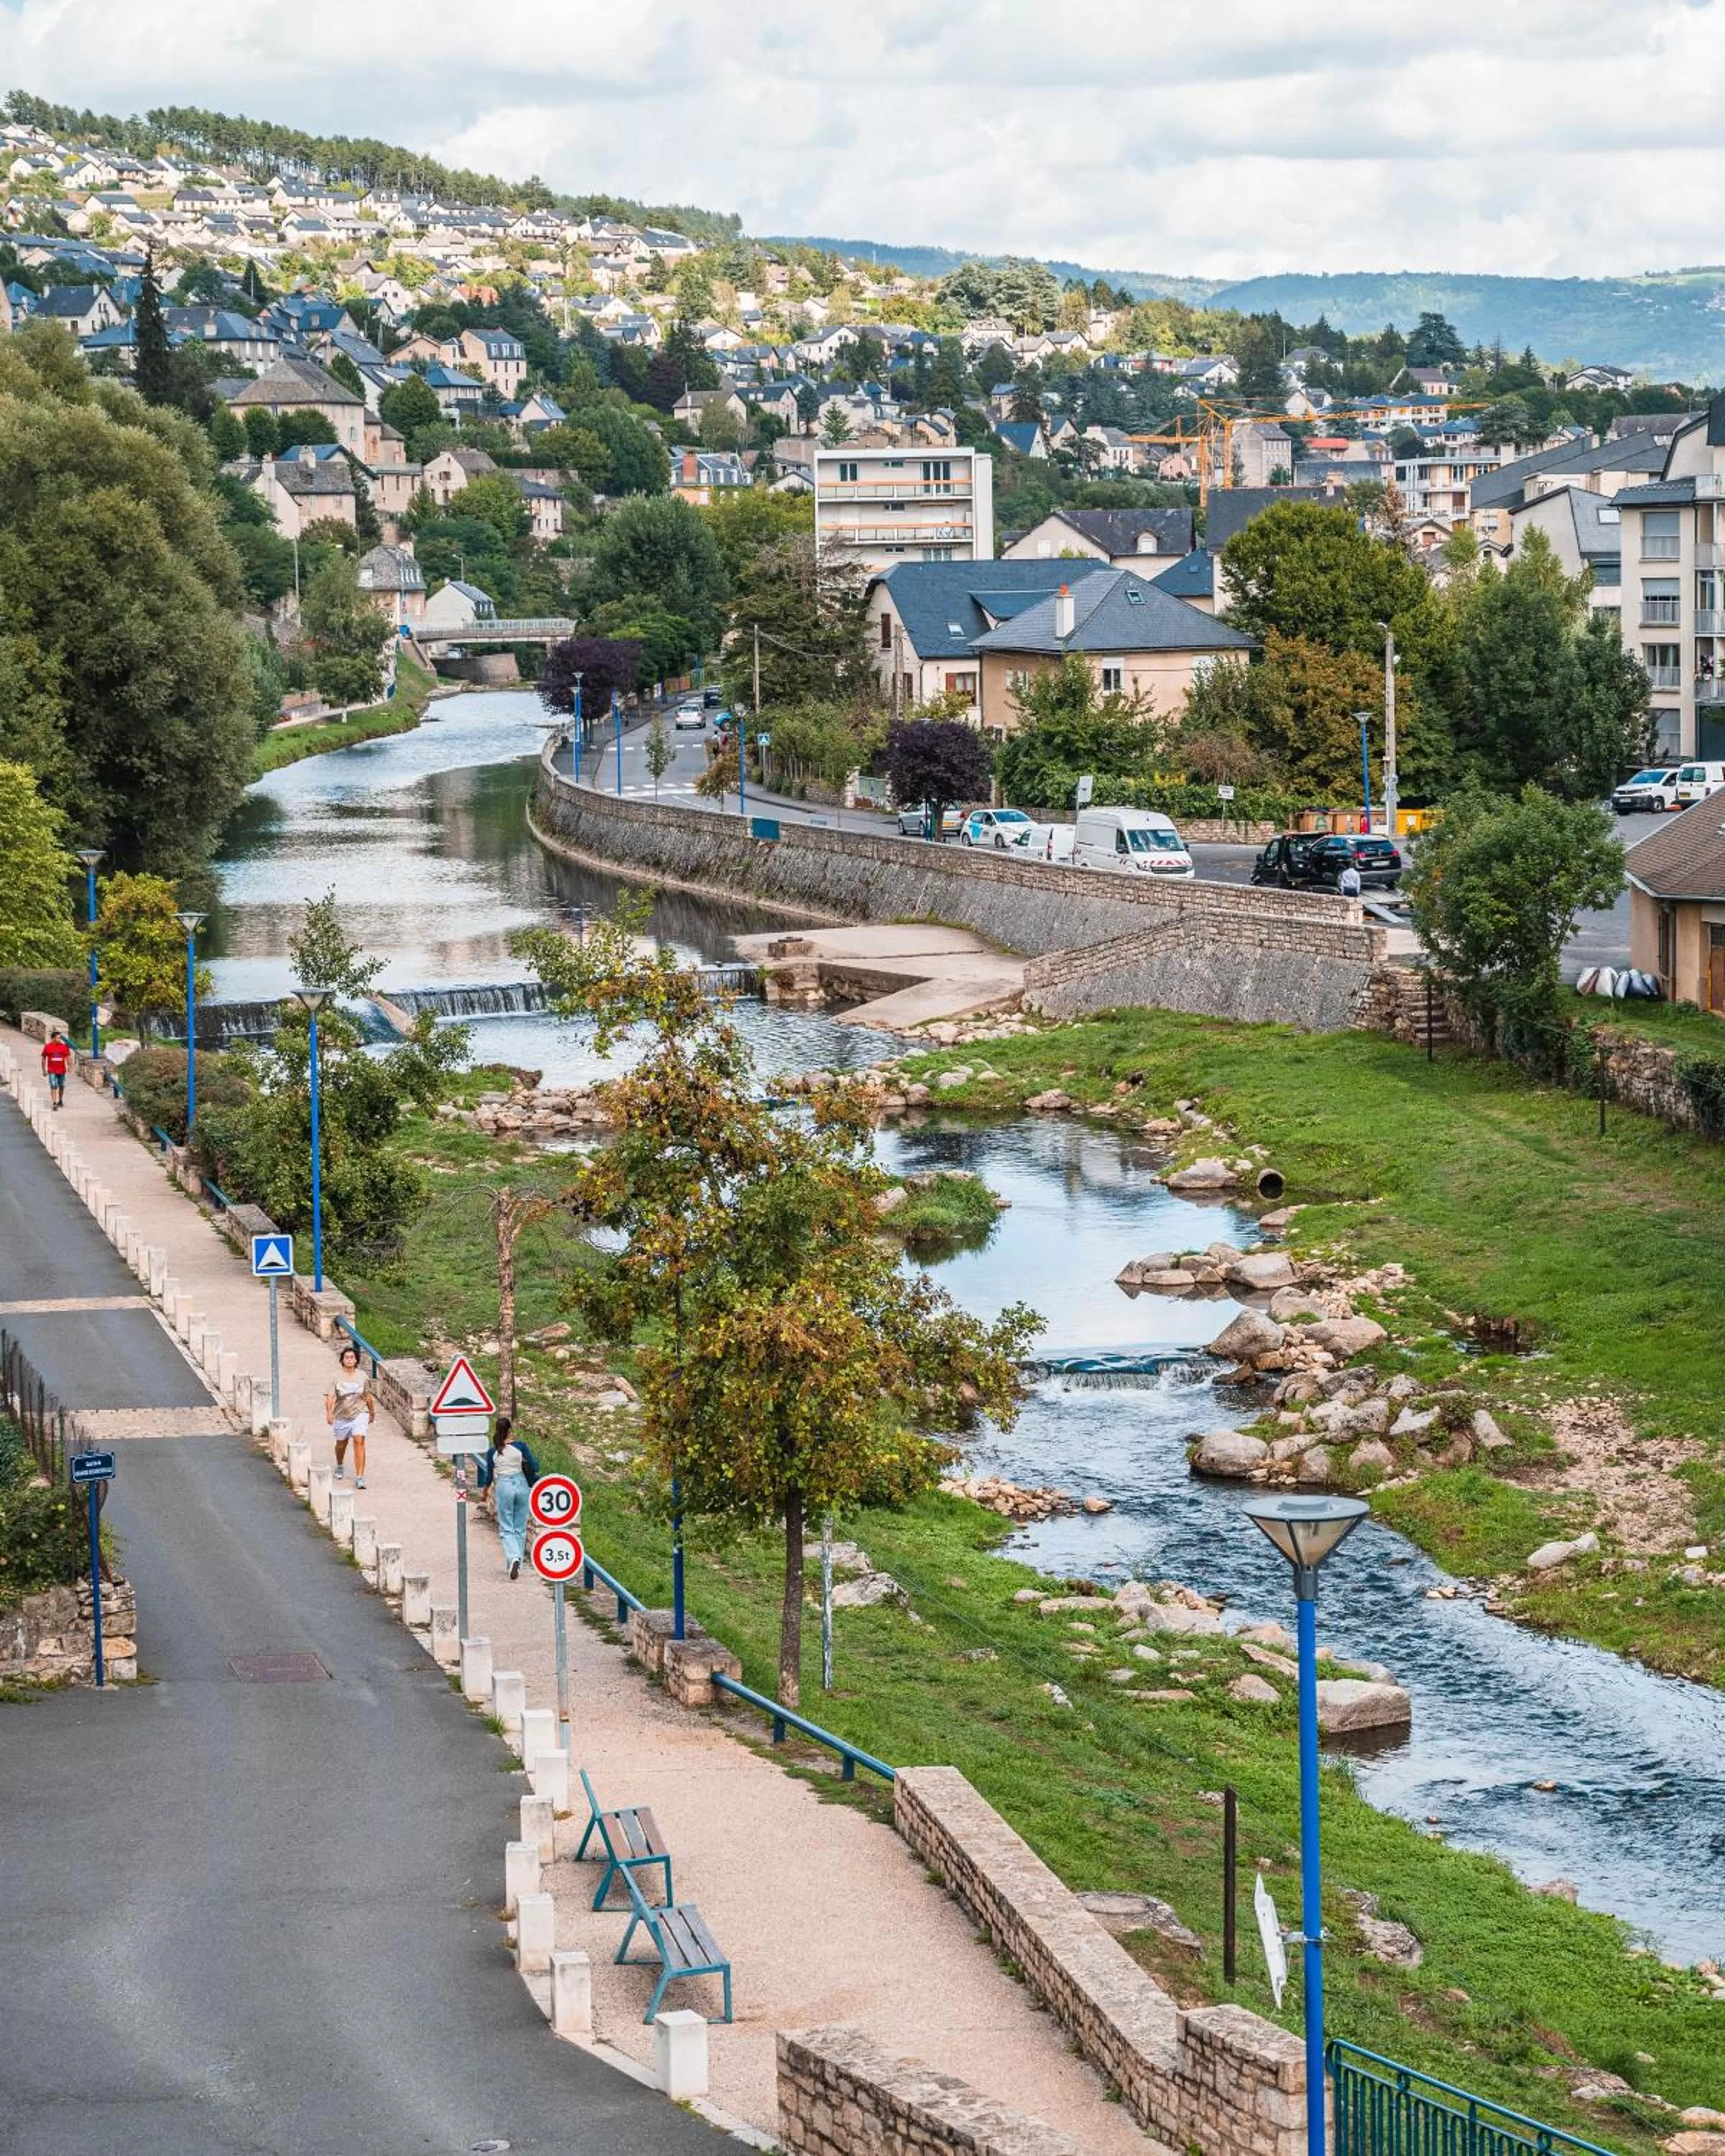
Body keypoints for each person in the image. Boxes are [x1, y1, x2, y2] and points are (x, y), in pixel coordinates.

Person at [478, 1415, 540, 1580]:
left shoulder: (493, 1452)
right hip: (521, 1484)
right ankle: (517, 1562)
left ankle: (513, 1559)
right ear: (510, 1430)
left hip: (504, 1486)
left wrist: (484, 1494)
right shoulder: (521, 1447)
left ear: (497, 1431)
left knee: (506, 1527)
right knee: (520, 1527)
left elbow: (489, 1477)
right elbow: (534, 1467)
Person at [326, 1345, 375, 1488]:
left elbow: (367, 1396)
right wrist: (329, 1413)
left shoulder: (362, 1376)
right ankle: (340, 1465)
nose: (349, 1360)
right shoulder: (335, 1377)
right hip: (341, 1415)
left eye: (352, 1357)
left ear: (356, 1360)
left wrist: (371, 1412)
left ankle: (360, 1477)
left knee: (359, 1441)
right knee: (341, 1444)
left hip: (360, 1412)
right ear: (342, 1360)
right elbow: (330, 1397)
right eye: (346, 1357)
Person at [40, 1031, 73, 1110]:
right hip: (52, 1070)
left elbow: (68, 1056)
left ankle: (60, 1100)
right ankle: (54, 1103)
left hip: (61, 1070)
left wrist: (69, 1066)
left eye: (60, 1038)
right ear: (53, 1038)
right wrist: (44, 1070)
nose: (60, 1040)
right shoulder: (48, 1047)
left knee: (61, 1086)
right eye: (58, 1038)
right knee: (53, 1086)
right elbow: (44, 1058)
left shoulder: (64, 1047)